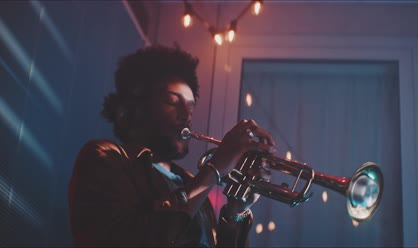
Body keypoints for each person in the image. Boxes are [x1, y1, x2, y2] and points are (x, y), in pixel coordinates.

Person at [68, 45, 276, 247]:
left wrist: (235, 214)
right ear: (131, 111)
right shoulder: (106, 158)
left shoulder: (191, 185)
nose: (187, 116)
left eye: (191, 108)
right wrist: (213, 170)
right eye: (172, 101)